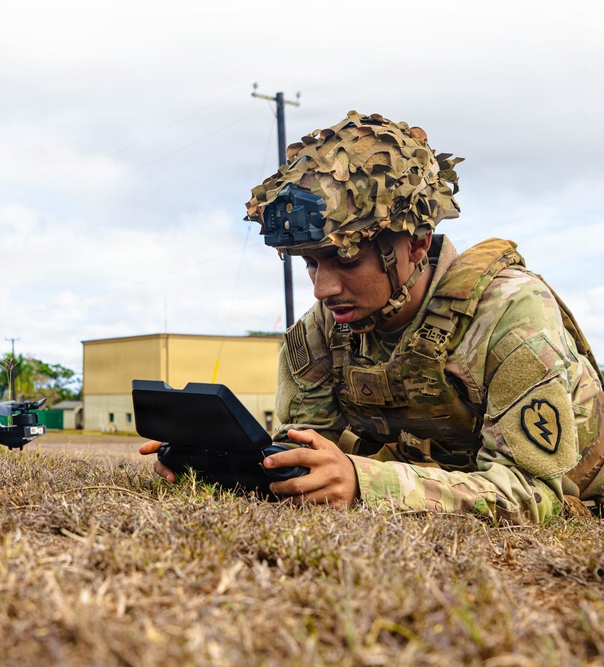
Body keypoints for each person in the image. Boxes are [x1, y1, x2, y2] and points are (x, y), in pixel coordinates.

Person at [141, 111, 604, 524]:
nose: (323, 289)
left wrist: (365, 484)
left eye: (346, 260)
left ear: (416, 245)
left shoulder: (510, 312)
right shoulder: (321, 330)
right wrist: (214, 461)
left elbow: (534, 494)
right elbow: (303, 457)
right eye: (311, 263)